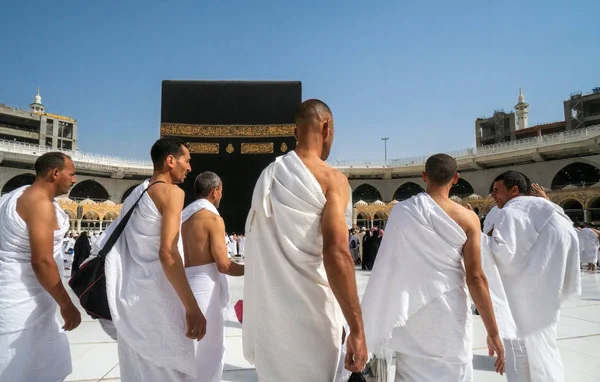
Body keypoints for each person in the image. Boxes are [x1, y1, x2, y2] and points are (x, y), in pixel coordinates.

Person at [242, 99, 367, 381]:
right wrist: (357, 330)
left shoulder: (268, 176)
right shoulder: (332, 179)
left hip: (272, 325)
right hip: (316, 322)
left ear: (295, 132)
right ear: (327, 127)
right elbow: (337, 253)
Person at [361, 153, 504, 381]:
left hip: (413, 316)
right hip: (449, 314)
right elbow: (475, 277)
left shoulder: (403, 211)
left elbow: (387, 267)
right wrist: (493, 331)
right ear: (455, 178)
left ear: (424, 176)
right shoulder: (468, 218)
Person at [104, 138, 206, 381]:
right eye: (187, 160)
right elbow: (168, 252)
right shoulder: (172, 193)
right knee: (170, 370)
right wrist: (192, 307)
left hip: (131, 300)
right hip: (160, 299)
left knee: (141, 371)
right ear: (170, 161)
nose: (189, 167)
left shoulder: (135, 195)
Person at [482, 170, 581, 381]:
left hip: (521, 298)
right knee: (544, 348)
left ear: (514, 190)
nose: (493, 195)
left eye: (497, 190)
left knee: (517, 351)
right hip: (547, 293)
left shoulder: (511, 211)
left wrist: (474, 238)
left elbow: (502, 253)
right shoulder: (553, 211)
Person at [0, 152, 81, 382]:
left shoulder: (12, 197)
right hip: (22, 302)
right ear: (55, 173)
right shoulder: (40, 204)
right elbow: (42, 261)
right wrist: (66, 304)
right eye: (71, 174)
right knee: (20, 367)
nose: (74, 180)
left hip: (18, 296)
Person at [181, 171, 244, 382]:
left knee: (187, 345)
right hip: (205, 287)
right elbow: (224, 265)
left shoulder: (182, 217)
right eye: (221, 192)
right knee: (210, 346)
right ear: (214, 191)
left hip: (182, 285)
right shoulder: (212, 219)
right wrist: (252, 269)